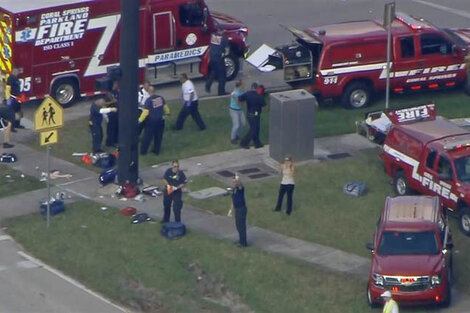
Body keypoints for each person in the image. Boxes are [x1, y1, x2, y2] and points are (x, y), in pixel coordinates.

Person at [238, 82, 266, 149]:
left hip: (249, 114)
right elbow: (264, 106)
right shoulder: (259, 96)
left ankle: (257, 143)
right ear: (257, 88)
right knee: (254, 129)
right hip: (256, 114)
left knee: (256, 128)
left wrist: (240, 105)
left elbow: (240, 99)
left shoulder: (247, 94)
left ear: (251, 87)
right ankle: (244, 143)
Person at [139, 85, 165, 155]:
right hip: (160, 120)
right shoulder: (160, 98)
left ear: (149, 91)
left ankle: (143, 151)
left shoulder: (148, 100)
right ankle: (156, 150)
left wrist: (140, 120)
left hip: (151, 121)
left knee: (147, 137)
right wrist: (168, 113)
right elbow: (165, 108)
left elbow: (146, 112)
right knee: (158, 136)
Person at [205, 29, 228, 95]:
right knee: (222, 75)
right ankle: (221, 92)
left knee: (213, 71)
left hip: (212, 58)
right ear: (223, 31)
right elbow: (225, 49)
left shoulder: (212, 37)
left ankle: (208, 85)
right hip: (219, 59)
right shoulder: (224, 39)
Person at [231, 175, 248, 247]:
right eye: (233, 181)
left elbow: (241, 185)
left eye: (234, 181)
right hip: (237, 209)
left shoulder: (240, 188)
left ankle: (243, 243)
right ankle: (241, 240)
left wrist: (238, 180)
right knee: (238, 226)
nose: (233, 183)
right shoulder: (234, 189)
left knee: (241, 226)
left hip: (241, 209)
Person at [229, 80, 246, 144]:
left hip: (240, 110)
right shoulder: (234, 94)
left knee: (243, 123)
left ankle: (237, 135)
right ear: (240, 85)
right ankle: (233, 138)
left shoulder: (241, 92)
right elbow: (239, 103)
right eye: (243, 85)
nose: (244, 86)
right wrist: (243, 101)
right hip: (234, 111)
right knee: (236, 125)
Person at [105, 81, 119, 147]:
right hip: (111, 113)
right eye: (116, 83)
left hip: (117, 113)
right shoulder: (109, 93)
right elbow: (105, 104)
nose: (117, 85)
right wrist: (113, 101)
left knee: (117, 127)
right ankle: (109, 142)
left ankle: (116, 140)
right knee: (111, 129)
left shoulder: (117, 92)